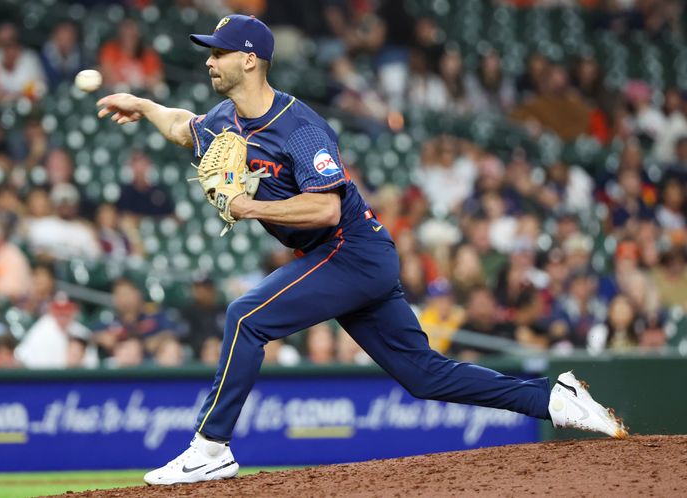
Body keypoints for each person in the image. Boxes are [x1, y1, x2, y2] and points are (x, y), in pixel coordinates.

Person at [97, 15, 627, 486]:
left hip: (351, 249)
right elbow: (183, 127)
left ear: (250, 59)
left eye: (218, 52)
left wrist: (248, 207)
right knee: (423, 374)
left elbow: (326, 210)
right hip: (342, 260)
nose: (209, 60)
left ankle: (210, 450)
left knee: (244, 317)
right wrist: (143, 105)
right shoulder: (223, 120)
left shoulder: (300, 127)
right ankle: (553, 399)